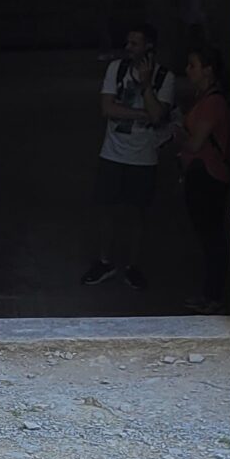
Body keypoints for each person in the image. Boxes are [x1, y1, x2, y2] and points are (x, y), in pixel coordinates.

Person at [82, 22, 176, 292]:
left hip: (143, 157)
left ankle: (133, 265)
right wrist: (144, 115)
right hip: (112, 153)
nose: (128, 48)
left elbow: (159, 115)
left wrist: (146, 86)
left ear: (149, 46)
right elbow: (107, 108)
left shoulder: (164, 78)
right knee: (106, 209)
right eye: (128, 42)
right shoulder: (117, 69)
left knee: (138, 213)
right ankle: (105, 260)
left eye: (135, 43)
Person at [174, 42, 230, 311]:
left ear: (208, 70)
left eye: (193, 65)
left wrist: (176, 129)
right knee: (208, 236)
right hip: (203, 173)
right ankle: (210, 293)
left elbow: (194, 144)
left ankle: (213, 296)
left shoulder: (212, 103)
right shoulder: (206, 98)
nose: (188, 70)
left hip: (207, 175)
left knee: (211, 237)